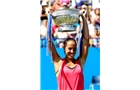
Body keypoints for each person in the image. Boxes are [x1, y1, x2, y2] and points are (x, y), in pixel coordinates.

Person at [48, 14, 89, 90]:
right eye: (69, 48)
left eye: (74, 49)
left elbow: (86, 38)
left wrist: (83, 18)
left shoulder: (80, 62)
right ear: (64, 48)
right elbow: (49, 40)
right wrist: (50, 20)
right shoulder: (58, 62)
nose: (72, 51)